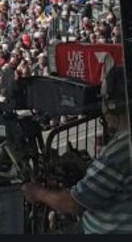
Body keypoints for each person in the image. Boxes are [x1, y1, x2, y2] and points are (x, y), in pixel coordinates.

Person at [22, 64, 132, 233]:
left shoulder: (119, 151)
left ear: (114, 104)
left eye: (103, 97)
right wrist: (82, 165)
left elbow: (73, 204)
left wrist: (37, 192)